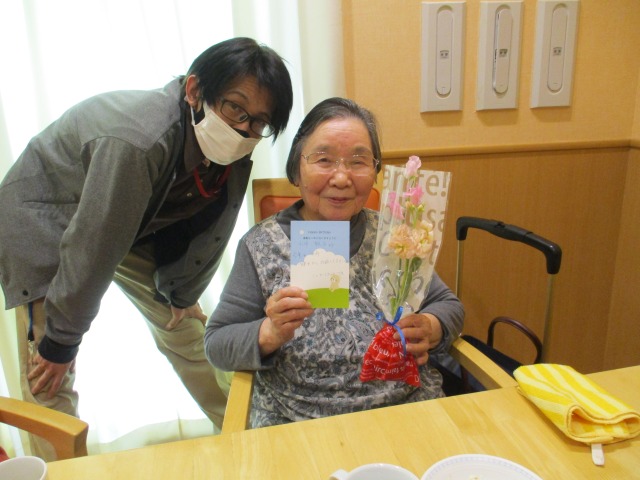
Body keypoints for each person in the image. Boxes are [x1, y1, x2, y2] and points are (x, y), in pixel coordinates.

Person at [0, 37, 293, 458]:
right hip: (46, 216)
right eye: (235, 108)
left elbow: (210, 225)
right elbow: (94, 247)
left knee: (185, 330)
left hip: (130, 220)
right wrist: (61, 343)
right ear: (194, 90)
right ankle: (62, 470)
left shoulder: (225, 145)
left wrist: (182, 293)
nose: (244, 129)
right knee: (48, 371)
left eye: (259, 122)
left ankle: (255, 436)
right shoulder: (138, 141)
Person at [204, 97, 464, 427]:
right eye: (324, 159)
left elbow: (449, 305)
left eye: (358, 161)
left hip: (404, 408)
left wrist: (430, 326)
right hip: (298, 418)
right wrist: (269, 332)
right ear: (296, 168)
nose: (341, 178)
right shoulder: (260, 244)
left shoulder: (396, 234)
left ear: (375, 171)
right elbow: (217, 343)